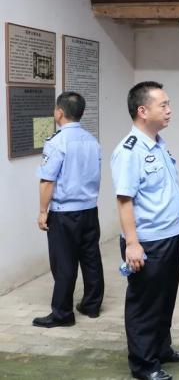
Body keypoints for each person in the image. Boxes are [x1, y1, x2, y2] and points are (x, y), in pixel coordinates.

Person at [111, 81, 179, 380]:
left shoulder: (157, 143)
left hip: (170, 235)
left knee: (165, 298)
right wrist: (132, 244)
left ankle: (161, 348)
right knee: (145, 304)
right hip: (148, 242)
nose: (169, 110)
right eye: (163, 105)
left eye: (169, 104)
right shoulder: (129, 151)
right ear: (143, 111)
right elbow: (124, 200)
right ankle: (144, 364)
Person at [33, 92, 104, 328]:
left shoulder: (57, 141)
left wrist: (43, 211)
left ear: (60, 112)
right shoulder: (92, 140)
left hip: (64, 213)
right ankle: (92, 305)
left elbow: (47, 181)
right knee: (91, 257)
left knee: (64, 262)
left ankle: (62, 314)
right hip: (90, 210)